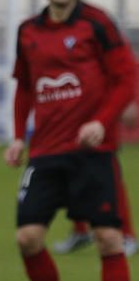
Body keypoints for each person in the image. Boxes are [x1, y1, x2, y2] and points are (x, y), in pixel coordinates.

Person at [4, 0, 136, 281]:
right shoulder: (28, 31)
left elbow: (127, 78)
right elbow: (25, 87)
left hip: (92, 152)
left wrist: (103, 121)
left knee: (108, 239)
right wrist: (17, 136)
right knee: (27, 238)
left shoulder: (96, 24)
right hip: (45, 151)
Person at [53, 102, 137, 257]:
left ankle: (126, 235)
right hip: (74, 111)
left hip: (100, 116)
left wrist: (127, 102)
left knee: (110, 177)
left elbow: (120, 80)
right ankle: (81, 231)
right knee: (69, 171)